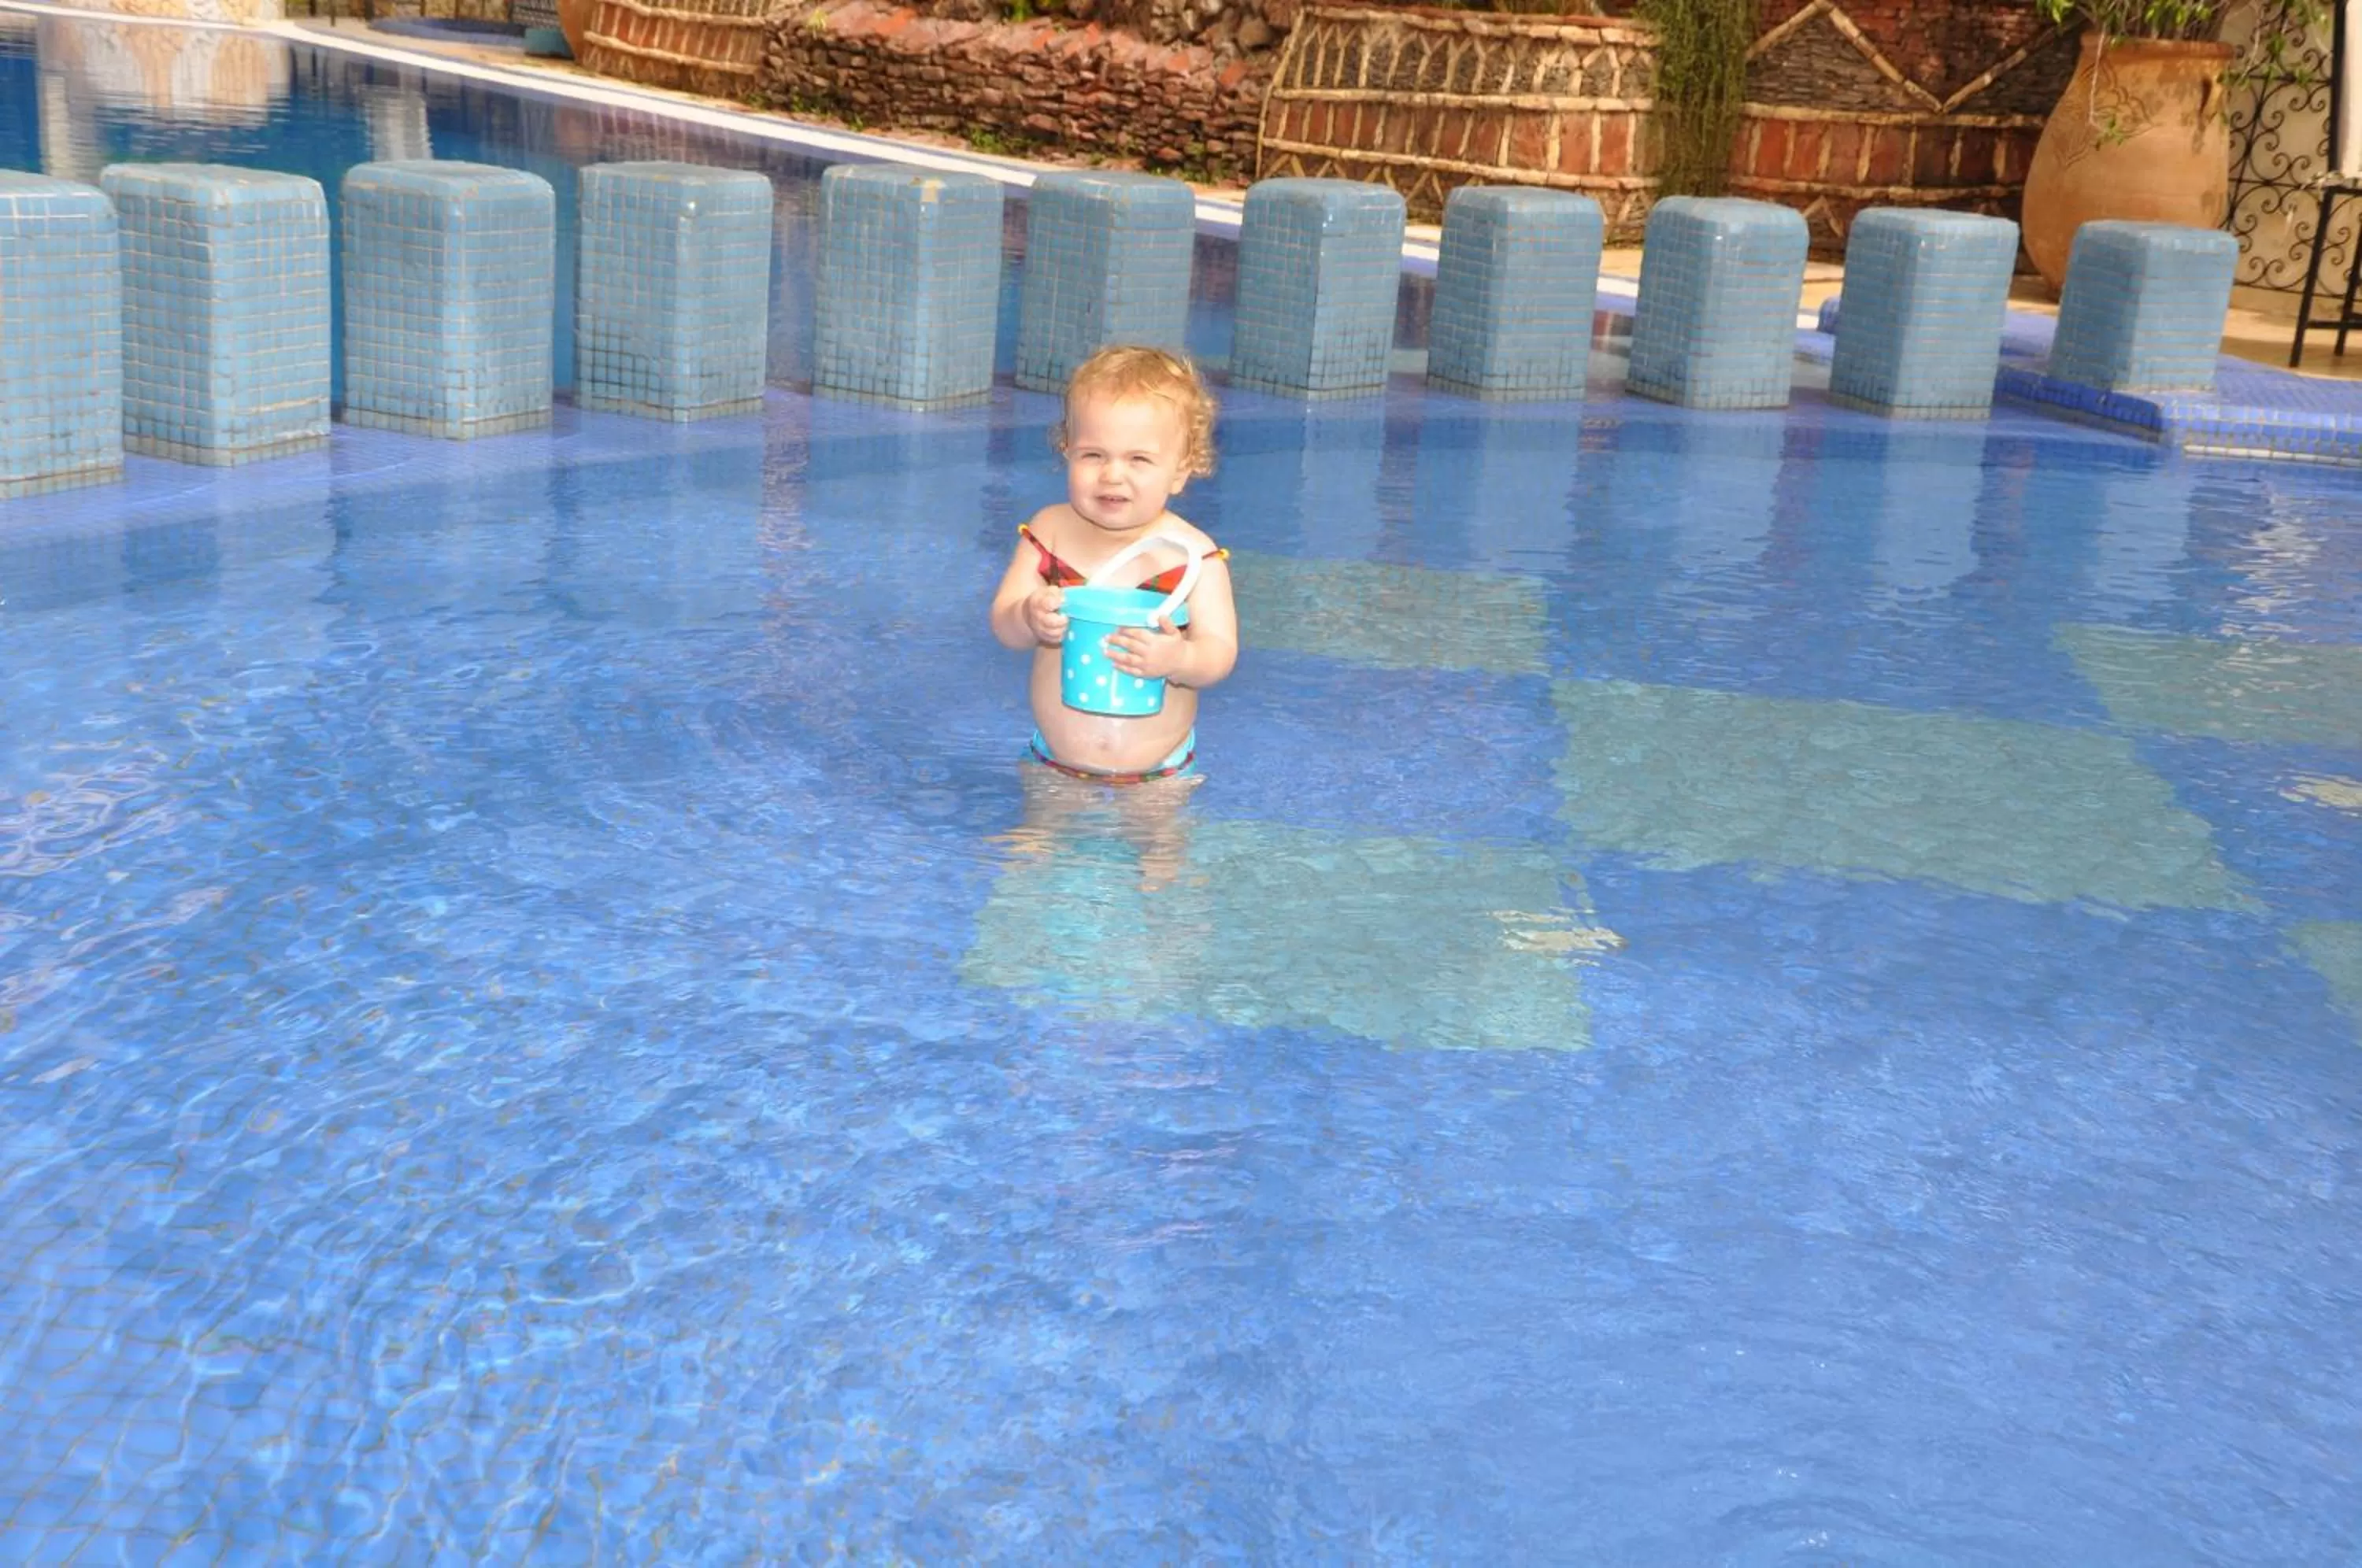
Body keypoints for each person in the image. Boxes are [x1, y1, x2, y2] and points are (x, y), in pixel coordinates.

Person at [990, 346, 1238, 784]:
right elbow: (1004, 628)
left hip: (1159, 771)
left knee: (1161, 850)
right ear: (1067, 451)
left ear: (1182, 470)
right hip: (1056, 763)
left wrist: (1180, 657)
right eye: (1093, 455)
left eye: (1138, 459)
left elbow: (1219, 654)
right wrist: (1028, 615)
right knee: (1031, 849)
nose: (1112, 475)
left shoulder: (1194, 557)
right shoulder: (1048, 534)